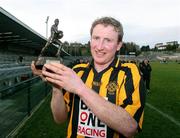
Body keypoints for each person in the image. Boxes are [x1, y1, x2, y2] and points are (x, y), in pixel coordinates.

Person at [31, 17, 146, 138]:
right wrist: (56, 87)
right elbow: (59, 119)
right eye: (96, 38)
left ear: (118, 45)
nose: (100, 46)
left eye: (108, 40)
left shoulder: (129, 72)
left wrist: (80, 89)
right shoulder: (77, 71)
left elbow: (130, 128)